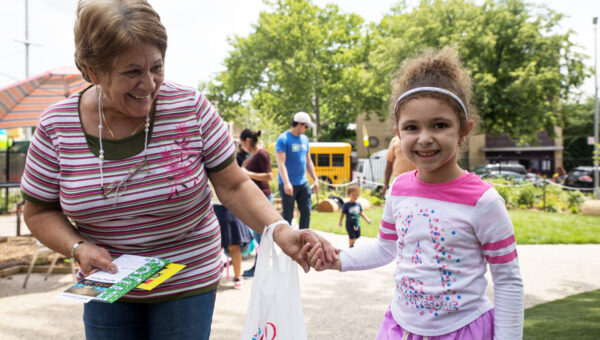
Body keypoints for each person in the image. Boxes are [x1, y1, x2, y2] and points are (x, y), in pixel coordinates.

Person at [20, 1, 335, 339]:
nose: (149, 85)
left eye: (156, 67)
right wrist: (77, 247)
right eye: (131, 72)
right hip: (107, 286)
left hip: (186, 279)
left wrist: (281, 230)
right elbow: (38, 211)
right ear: (93, 71)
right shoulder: (57, 126)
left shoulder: (191, 109)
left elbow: (233, 186)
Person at [304, 48, 524, 340]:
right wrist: (338, 259)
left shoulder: (483, 201)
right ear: (398, 133)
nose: (424, 138)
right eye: (411, 127)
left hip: (463, 331)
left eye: (440, 125)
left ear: (464, 130)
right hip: (401, 328)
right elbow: (386, 248)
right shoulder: (400, 189)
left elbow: (508, 281)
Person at [238, 128, 273, 278]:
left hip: (263, 198)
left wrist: (247, 172)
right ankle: (260, 268)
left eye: (241, 143)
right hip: (257, 198)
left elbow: (268, 176)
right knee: (260, 237)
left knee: (261, 237)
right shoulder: (255, 156)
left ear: (247, 141)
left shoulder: (262, 154)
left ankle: (260, 269)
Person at [275, 111, 319, 230]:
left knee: (306, 212)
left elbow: (308, 161)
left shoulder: (304, 139)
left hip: (303, 182)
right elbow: (281, 164)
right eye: (306, 126)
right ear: (299, 124)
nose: (306, 129)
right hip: (288, 184)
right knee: (288, 216)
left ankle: (304, 240)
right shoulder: (283, 139)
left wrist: (315, 179)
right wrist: (287, 183)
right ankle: (288, 244)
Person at [213, 203, 252, 289]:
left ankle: (211, 281)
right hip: (232, 208)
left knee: (214, 249)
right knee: (234, 248)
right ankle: (238, 279)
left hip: (214, 211)